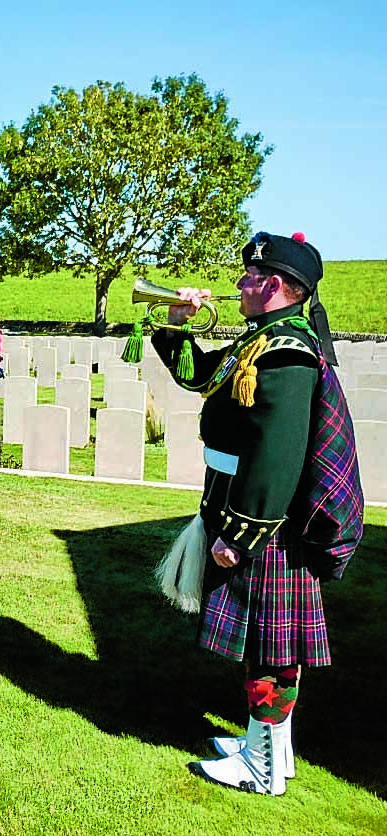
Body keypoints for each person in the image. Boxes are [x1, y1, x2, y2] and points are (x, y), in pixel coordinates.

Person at [151, 230, 364, 797]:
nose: (238, 285)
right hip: (247, 513)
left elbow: (277, 455)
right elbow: (199, 376)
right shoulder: (263, 341)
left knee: (270, 650)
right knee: (268, 646)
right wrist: (174, 321)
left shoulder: (286, 353)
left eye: (248, 277)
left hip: (266, 527)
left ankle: (261, 768)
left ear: (273, 284)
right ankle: (269, 748)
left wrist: (239, 535)